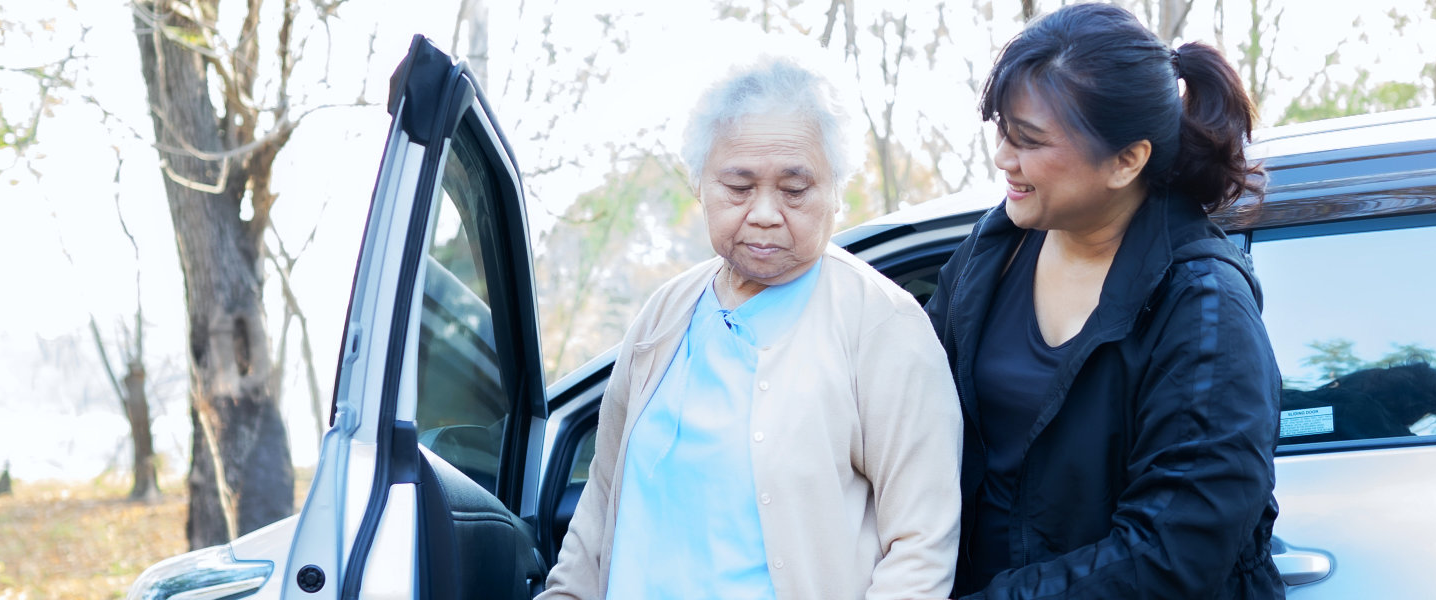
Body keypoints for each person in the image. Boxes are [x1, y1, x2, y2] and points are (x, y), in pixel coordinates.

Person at [539, 53, 963, 600]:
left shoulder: (884, 326)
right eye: (739, 187)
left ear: (836, 189)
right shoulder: (665, 313)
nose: (764, 212)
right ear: (701, 185)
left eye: (794, 190)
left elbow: (921, 544)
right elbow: (601, 499)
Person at [923, 3, 1284, 598]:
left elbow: (1171, 553)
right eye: (1002, 131)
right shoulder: (995, 250)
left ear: (1126, 160)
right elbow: (904, 402)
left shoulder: (1203, 310)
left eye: (1029, 140)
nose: (1002, 157)